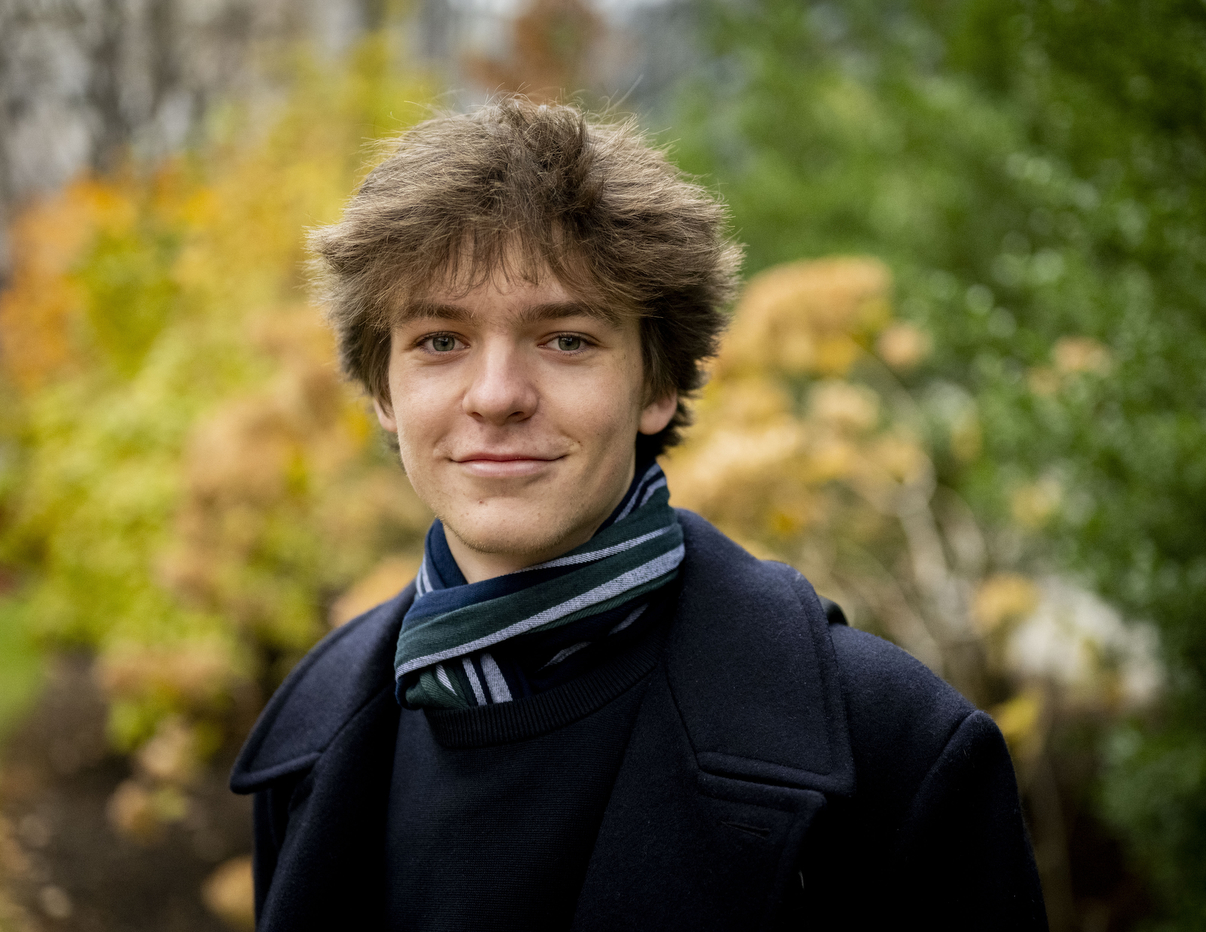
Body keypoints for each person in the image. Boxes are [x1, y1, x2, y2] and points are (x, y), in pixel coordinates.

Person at [230, 99, 1047, 931]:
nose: (498, 395)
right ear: (383, 394)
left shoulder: (894, 743)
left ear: (657, 384)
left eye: (567, 339)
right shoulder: (312, 741)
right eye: (441, 340)